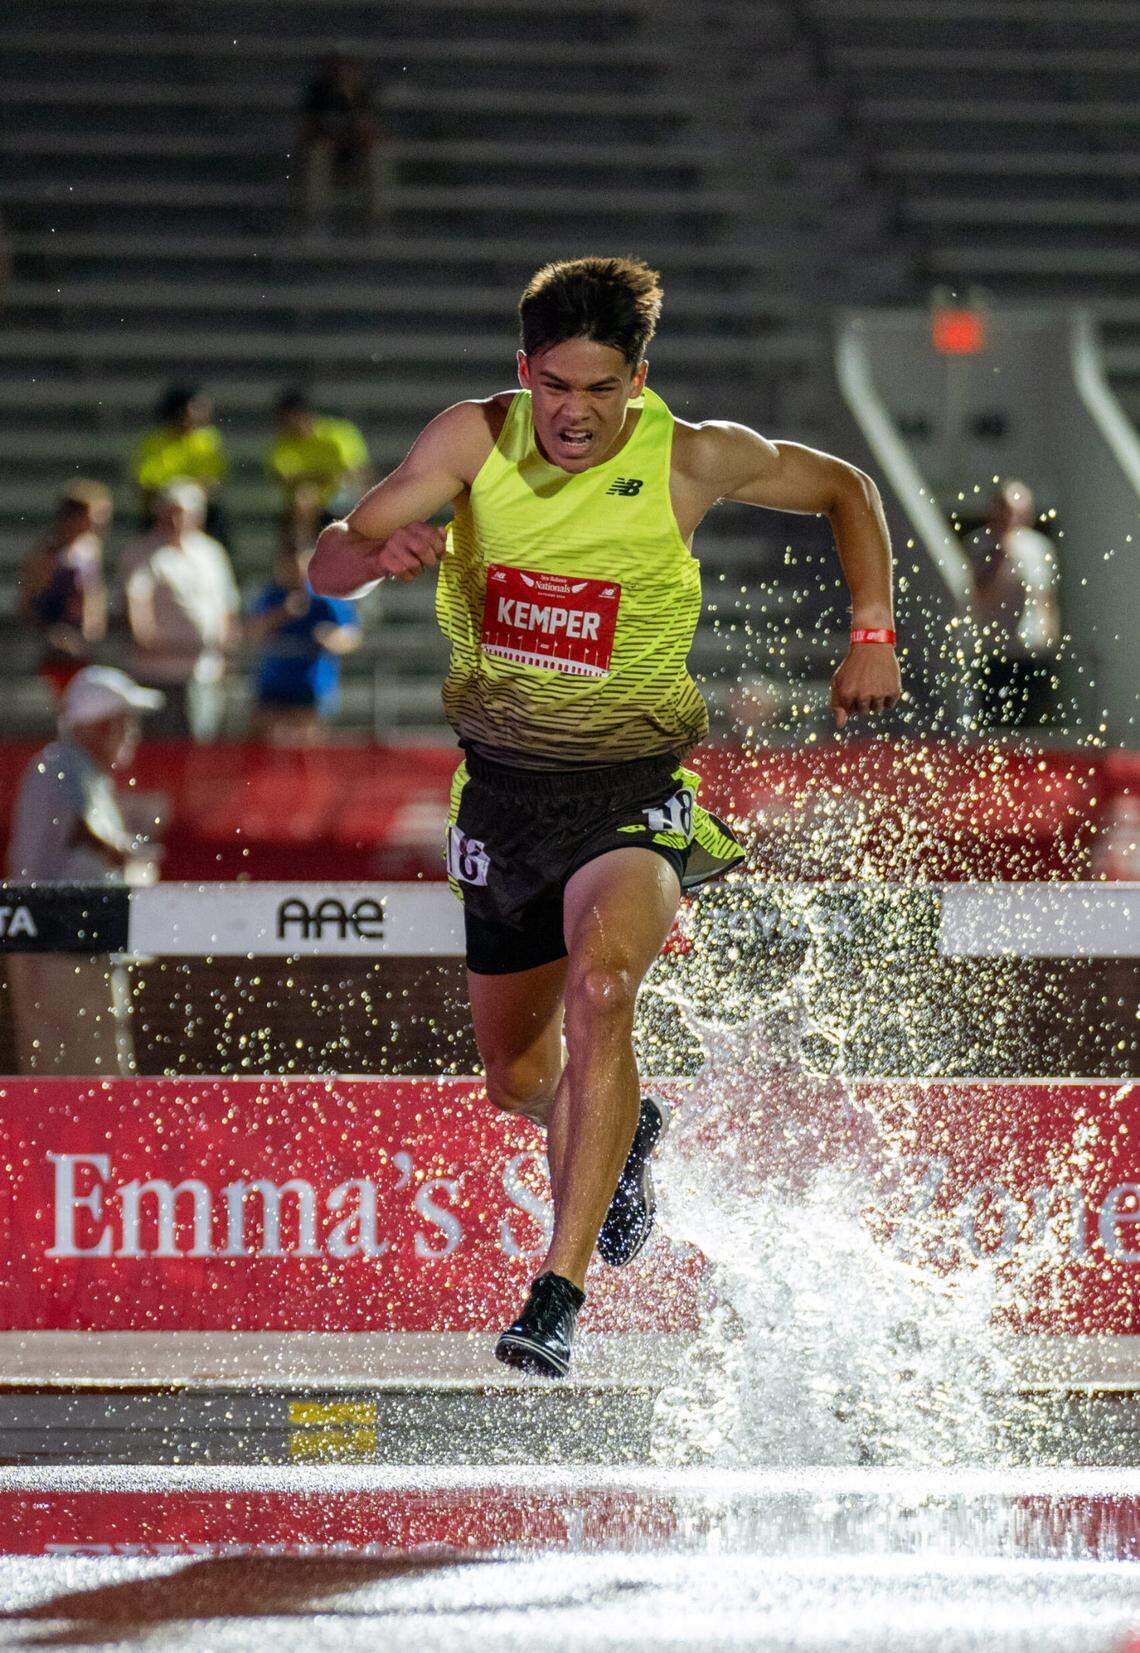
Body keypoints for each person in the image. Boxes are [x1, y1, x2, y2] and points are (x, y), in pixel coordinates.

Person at [308, 255, 901, 1377]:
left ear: (639, 378)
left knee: (603, 984)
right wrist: (373, 556)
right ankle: (629, 1137)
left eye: (599, 390)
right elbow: (327, 558)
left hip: (634, 793)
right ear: (523, 370)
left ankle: (557, 1291)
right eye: (554, 388)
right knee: (522, 1080)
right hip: (504, 800)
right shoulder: (471, 442)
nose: (573, 416)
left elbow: (846, 490)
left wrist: (870, 630)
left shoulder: (689, 457)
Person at [6, 666, 163, 1074]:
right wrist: (132, 858)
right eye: (122, 722)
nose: (132, 734)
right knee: (90, 1081)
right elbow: (88, 835)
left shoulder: (77, 772)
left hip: (67, 948)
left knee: (78, 1081)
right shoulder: (61, 766)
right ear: (95, 725)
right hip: (63, 952)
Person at [121, 480, 240, 742]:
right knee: (161, 749)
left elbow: (226, 605)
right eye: (170, 512)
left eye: (183, 513)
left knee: (201, 747)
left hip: (204, 671)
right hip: (160, 672)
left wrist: (226, 652)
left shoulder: (212, 552)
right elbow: (137, 604)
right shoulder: (142, 552)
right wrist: (147, 639)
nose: (176, 520)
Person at [246, 528, 361, 743]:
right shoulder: (271, 596)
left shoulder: (325, 596)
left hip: (311, 689)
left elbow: (351, 634)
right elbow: (252, 632)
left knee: (308, 754)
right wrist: (282, 614)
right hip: (273, 687)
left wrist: (332, 638)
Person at [965, 480, 1060, 730]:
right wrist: (1001, 553)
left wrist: (1050, 635)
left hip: (1030, 647)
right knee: (994, 721)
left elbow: (1046, 596)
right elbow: (979, 591)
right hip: (994, 649)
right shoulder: (981, 545)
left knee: (1031, 719)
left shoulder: (1038, 547)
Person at [17, 480, 112, 698]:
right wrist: (53, 634)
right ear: (75, 517)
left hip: (83, 644)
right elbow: (28, 604)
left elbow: (93, 593)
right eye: (97, 514)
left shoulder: (90, 548)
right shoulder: (47, 555)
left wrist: (93, 623)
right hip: (55, 649)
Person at [132, 384, 231, 548]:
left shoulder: (209, 440)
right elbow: (146, 484)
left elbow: (213, 482)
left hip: (201, 514)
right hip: (163, 514)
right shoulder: (153, 442)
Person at [297, 54, 387, 227]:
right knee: (317, 153)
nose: (342, 72)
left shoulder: (365, 94)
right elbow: (307, 129)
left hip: (356, 152)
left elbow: (373, 130)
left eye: (347, 67)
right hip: (328, 150)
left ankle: (377, 216)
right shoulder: (317, 94)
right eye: (337, 68)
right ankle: (312, 217)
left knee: (375, 155)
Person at [266, 389, 372, 531]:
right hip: (311, 504)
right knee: (304, 497)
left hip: (344, 495)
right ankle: (305, 548)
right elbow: (286, 479)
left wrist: (314, 477)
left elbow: (354, 471)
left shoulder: (338, 433)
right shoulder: (281, 445)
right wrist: (323, 476)